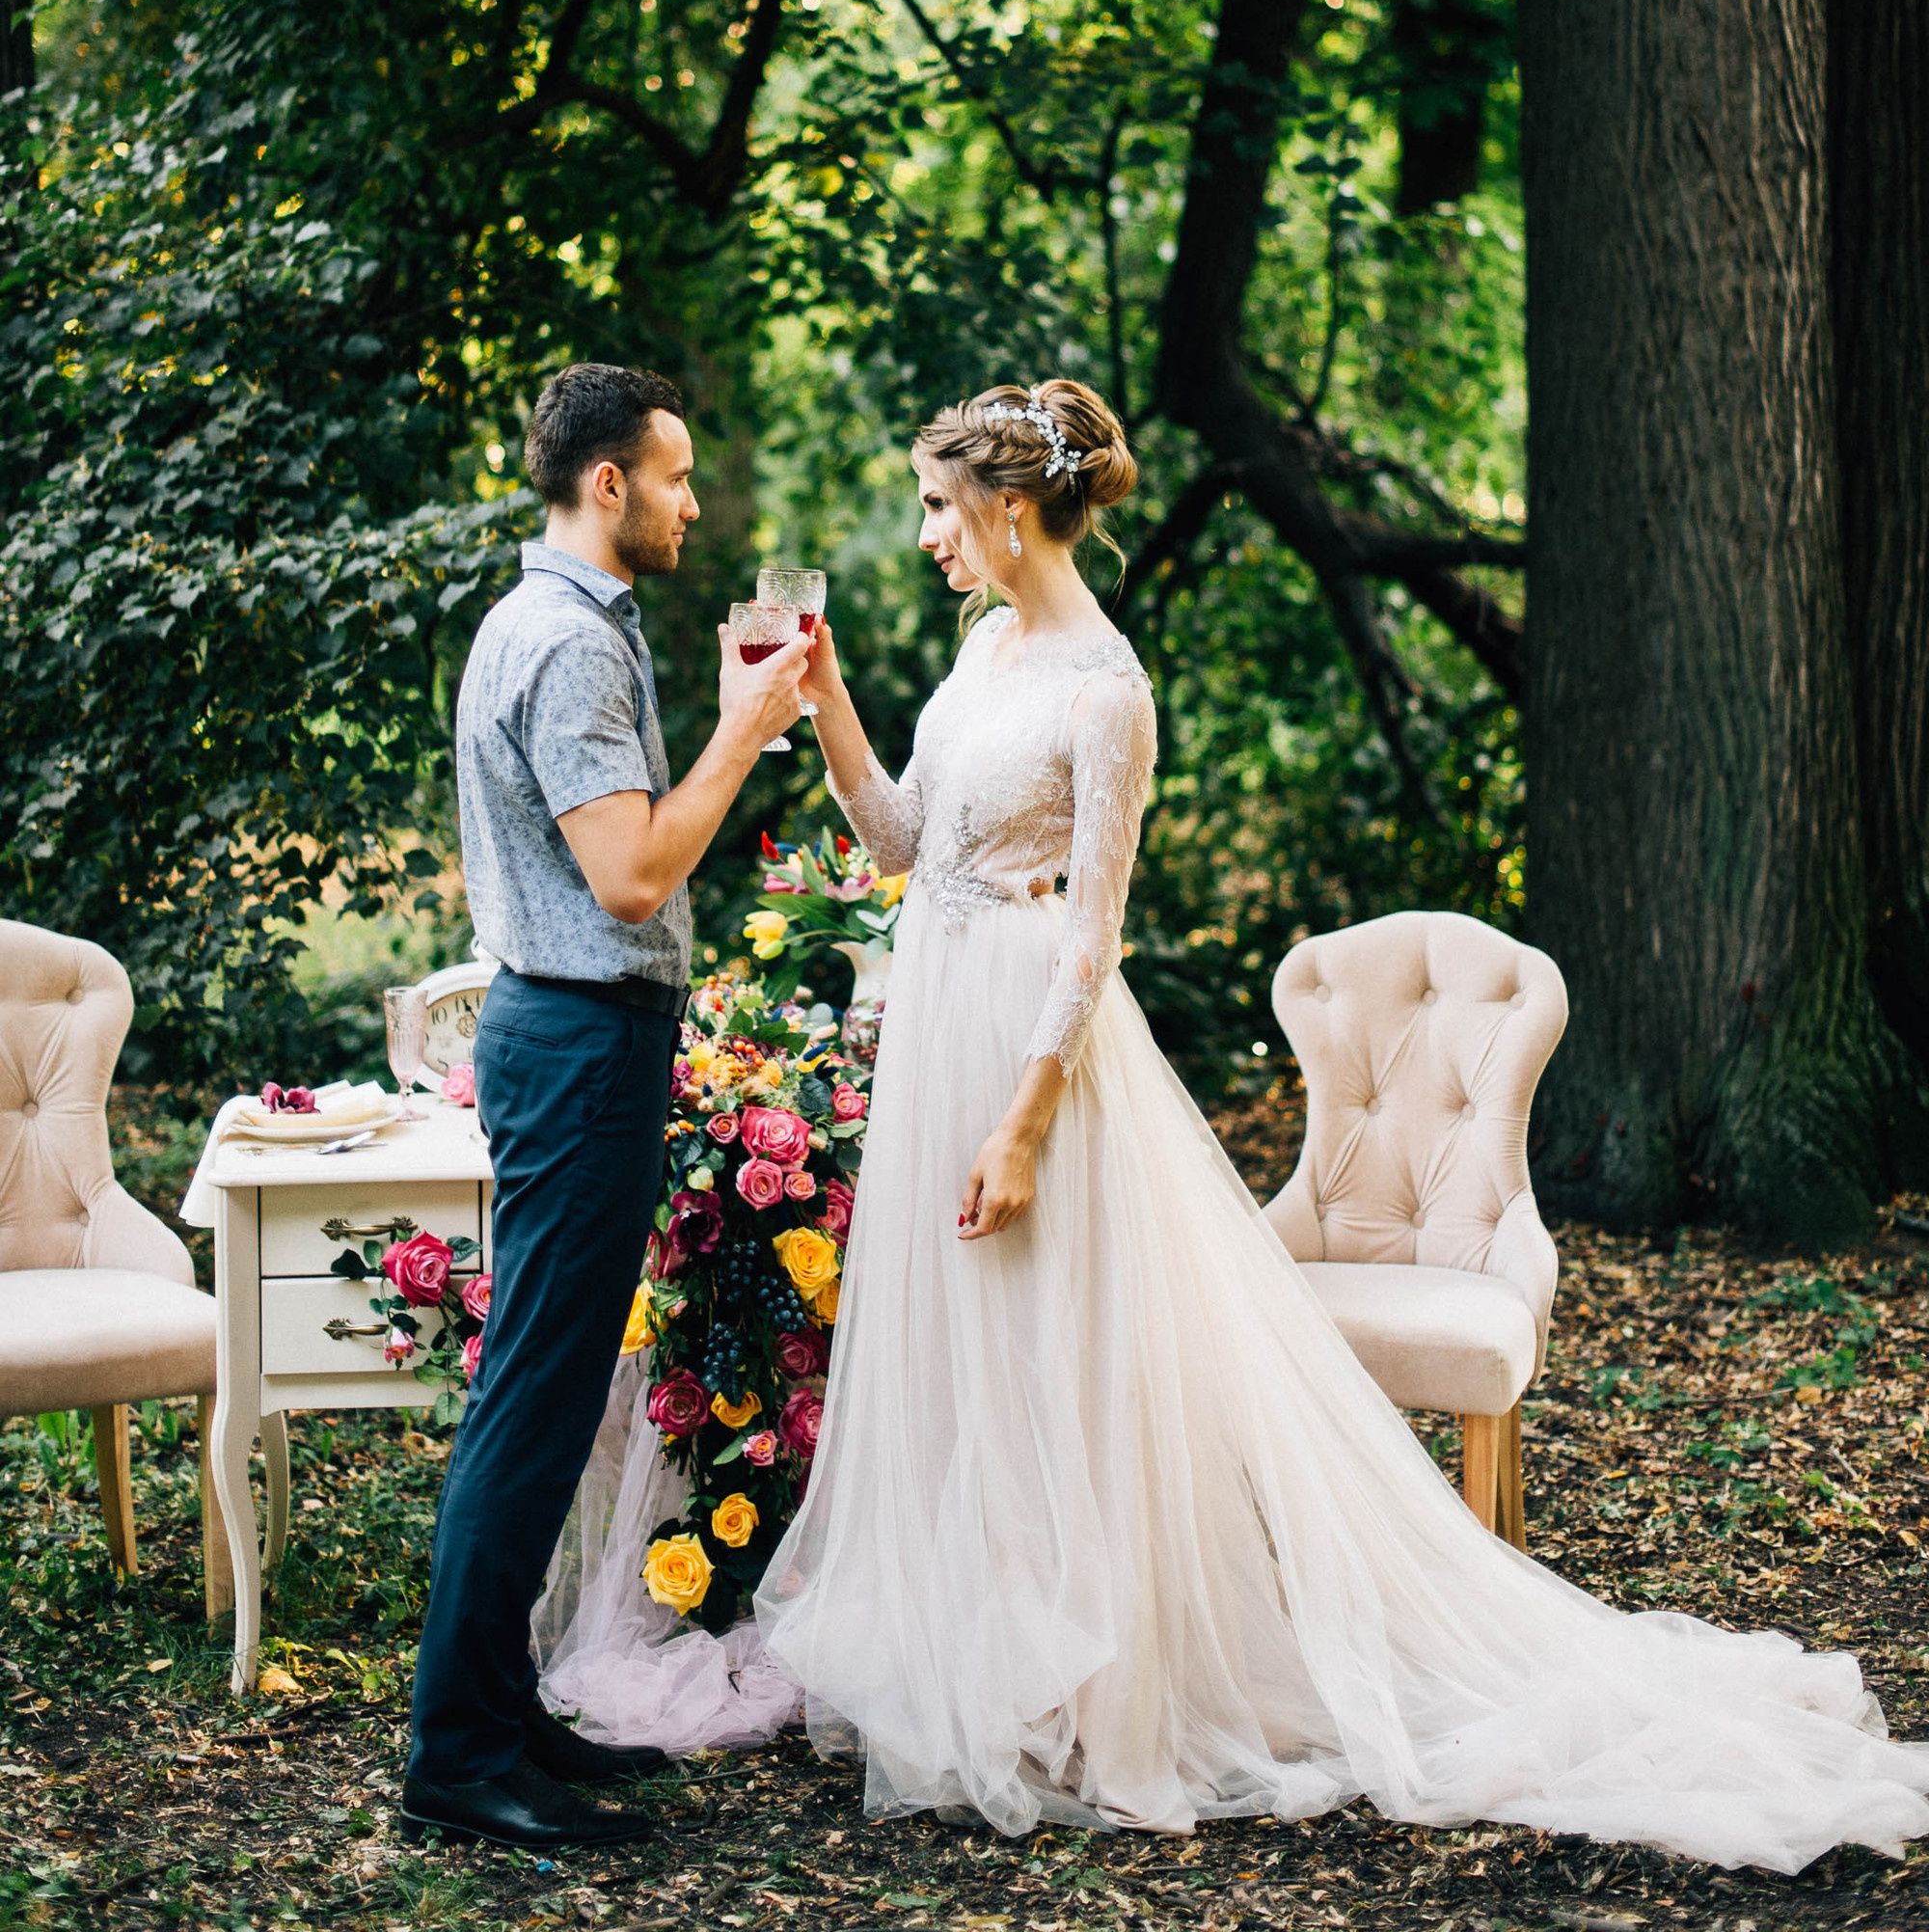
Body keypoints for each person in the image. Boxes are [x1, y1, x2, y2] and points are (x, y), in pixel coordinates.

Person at [754, 376, 1929, 1869]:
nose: (927, 533)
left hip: (1029, 1058)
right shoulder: (984, 649)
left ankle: (1104, 1698)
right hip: (941, 1027)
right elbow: (905, 844)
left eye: (938, 505)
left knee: (1058, 1362)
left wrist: (1025, 1127)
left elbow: (1093, 940)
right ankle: (995, 1669)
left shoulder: (1107, 693)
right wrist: (827, 700)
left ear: (1008, 505)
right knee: (972, 1359)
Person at [403, 363, 811, 1851]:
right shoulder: (569, 645)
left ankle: (499, 1711)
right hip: (579, 1042)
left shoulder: (556, 623)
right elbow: (632, 875)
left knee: (551, 1388)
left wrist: (734, 722)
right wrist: (744, 728)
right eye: (677, 476)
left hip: (576, 1035)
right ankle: (457, 1753)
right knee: (536, 1393)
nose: (695, 502)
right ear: (608, 482)